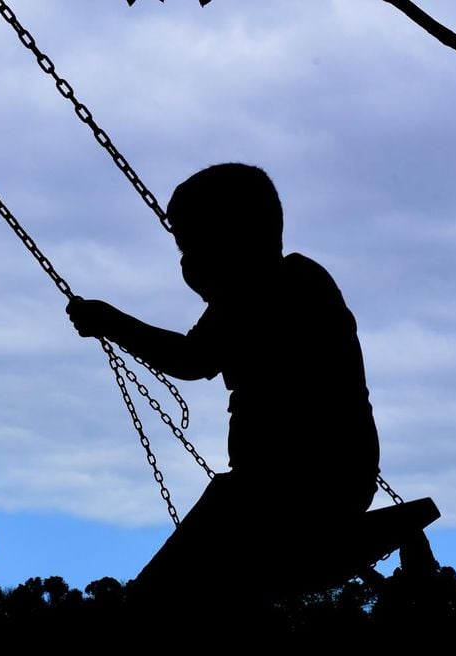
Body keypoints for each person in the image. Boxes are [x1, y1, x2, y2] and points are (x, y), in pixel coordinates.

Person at [66, 163, 380, 601]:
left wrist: (109, 321)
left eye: (191, 244)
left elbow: (191, 358)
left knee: (158, 597)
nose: (185, 261)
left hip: (285, 489)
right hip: (327, 481)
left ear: (232, 236)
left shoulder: (273, 288)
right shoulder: (290, 282)